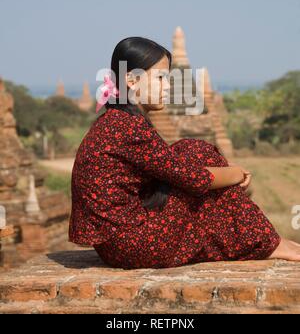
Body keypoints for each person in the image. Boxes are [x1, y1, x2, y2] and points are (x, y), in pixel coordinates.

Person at [69, 36, 300, 269]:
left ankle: (264, 240)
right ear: (131, 80)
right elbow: (195, 179)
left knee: (192, 150)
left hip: (118, 244)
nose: (168, 86)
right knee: (205, 168)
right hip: (132, 245)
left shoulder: (119, 119)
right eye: (160, 78)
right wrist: (237, 173)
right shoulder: (127, 127)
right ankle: (271, 244)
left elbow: (173, 164)